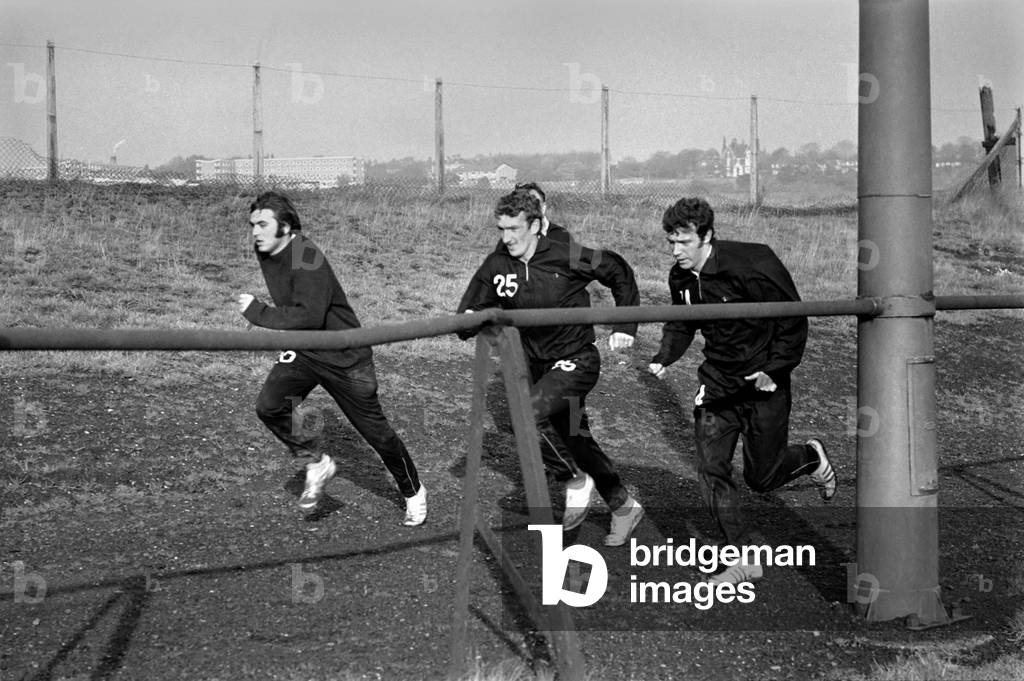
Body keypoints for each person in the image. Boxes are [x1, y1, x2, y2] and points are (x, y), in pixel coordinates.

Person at [648, 197, 835, 583]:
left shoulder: (753, 264)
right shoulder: (681, 278)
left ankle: (811, 459)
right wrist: (664, 357)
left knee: (760, 479)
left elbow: (793, 320)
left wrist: (775, 369)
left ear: (707, 236)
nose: (676, 250)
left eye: (684, 242)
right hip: (718, 385)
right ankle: (743, 556)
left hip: (764, 383)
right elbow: (682, 323)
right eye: (671, 242)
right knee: (711, 466)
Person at [457, 190, 644, 547]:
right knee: (576, 437)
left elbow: (617, 269)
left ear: (537, 225)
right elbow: (468, 313)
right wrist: (470, 322)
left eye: (514, 229)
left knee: (523, 416)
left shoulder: (566, 254)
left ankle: (573, 479)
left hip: (577, 361)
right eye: (501, 229)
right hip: (539, 368)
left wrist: (625, 325)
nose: (507, 237)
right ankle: (624, 506)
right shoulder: (497, 265)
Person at [238, 191, 426, 526]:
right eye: (252, 224)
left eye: (263, 224)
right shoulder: (266, 250)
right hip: (307, 351)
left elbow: (309, 314)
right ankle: (317, 462)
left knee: (376, 433)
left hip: (344, 357)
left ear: (286, 226)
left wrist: (259, 312)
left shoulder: (306, 256)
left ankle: (413, 491)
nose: (255, 231)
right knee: (271, 405)